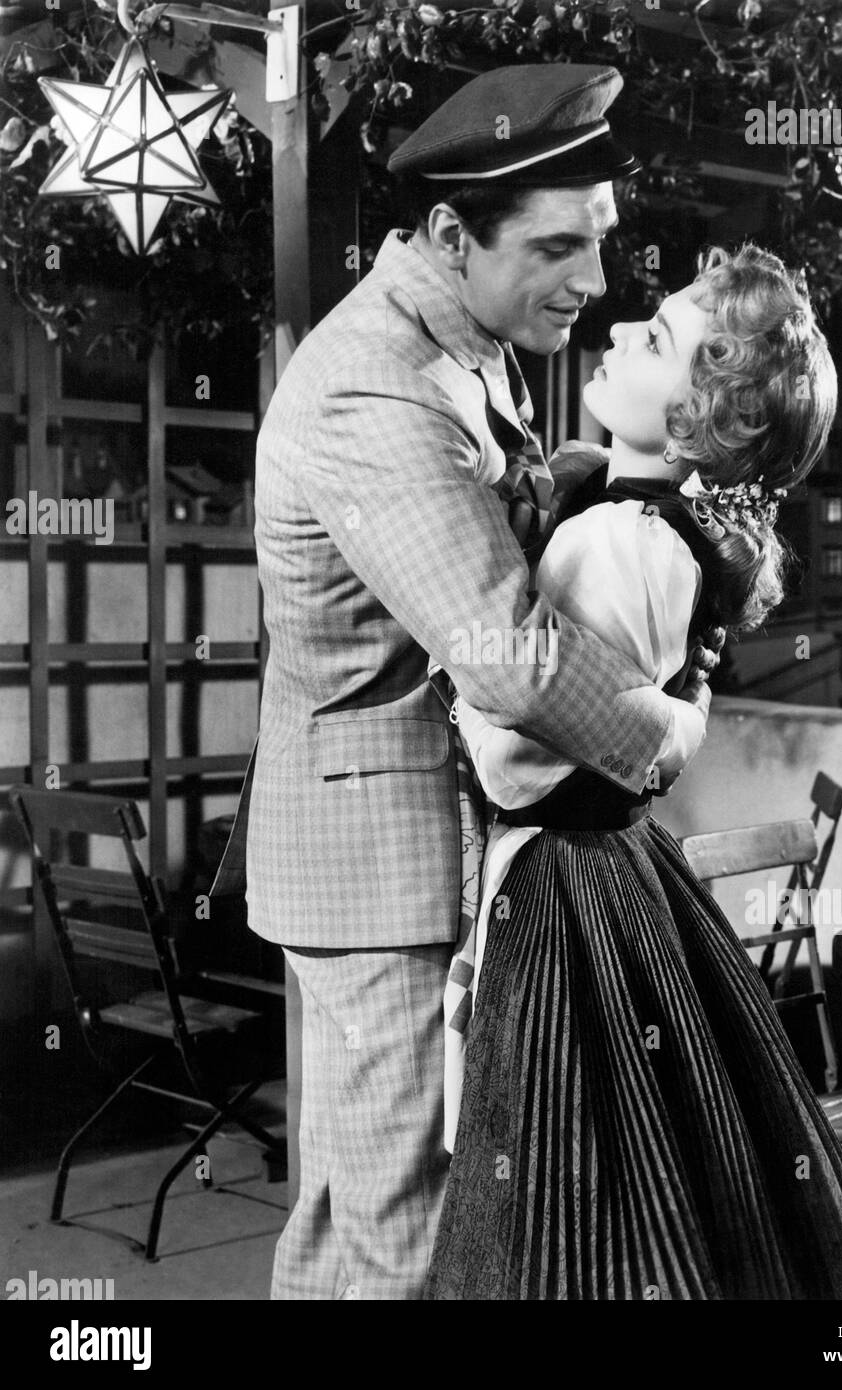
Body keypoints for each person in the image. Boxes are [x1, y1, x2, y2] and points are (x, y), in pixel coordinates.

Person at [228, 63, 721, 1300]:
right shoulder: (374, 381)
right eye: (558, 246)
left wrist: (562, 486)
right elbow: (504, 649)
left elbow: (458, 534)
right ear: (454, 234)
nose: (595, 282)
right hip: (379, 867)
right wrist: (665, 734)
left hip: (396, 849)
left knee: (349, 1215)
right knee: (412, 1232)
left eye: (601, 243)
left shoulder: (458, 335)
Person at [425, 243, 842, 1300]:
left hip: (560, 889)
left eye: (654, 340)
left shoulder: (612, 540)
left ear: (703, 416)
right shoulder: (654, 528)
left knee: (556, 1191)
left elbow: (516, 763)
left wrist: (452, 671)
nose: (614, 332)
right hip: (620, 872)